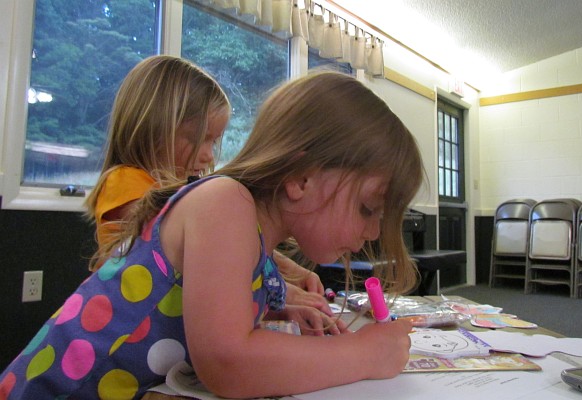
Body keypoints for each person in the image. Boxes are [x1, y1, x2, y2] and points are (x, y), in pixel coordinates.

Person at [0, 71, 423, 399]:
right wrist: (364, 354)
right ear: (301, 177)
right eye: (369, 209)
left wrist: (278, 311)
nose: (371, 232)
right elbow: (227, 361)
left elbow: (207, 319)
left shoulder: (252, 235)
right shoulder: (225, 202)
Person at [84, 55, 328, 311]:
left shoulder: (181, 197)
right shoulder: (124, 182)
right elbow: (215, 251)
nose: (209, 156)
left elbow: (230, 243)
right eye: (196, 138)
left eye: (212, 141)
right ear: (152, 127)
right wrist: (283, 291)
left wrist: (292, 272)